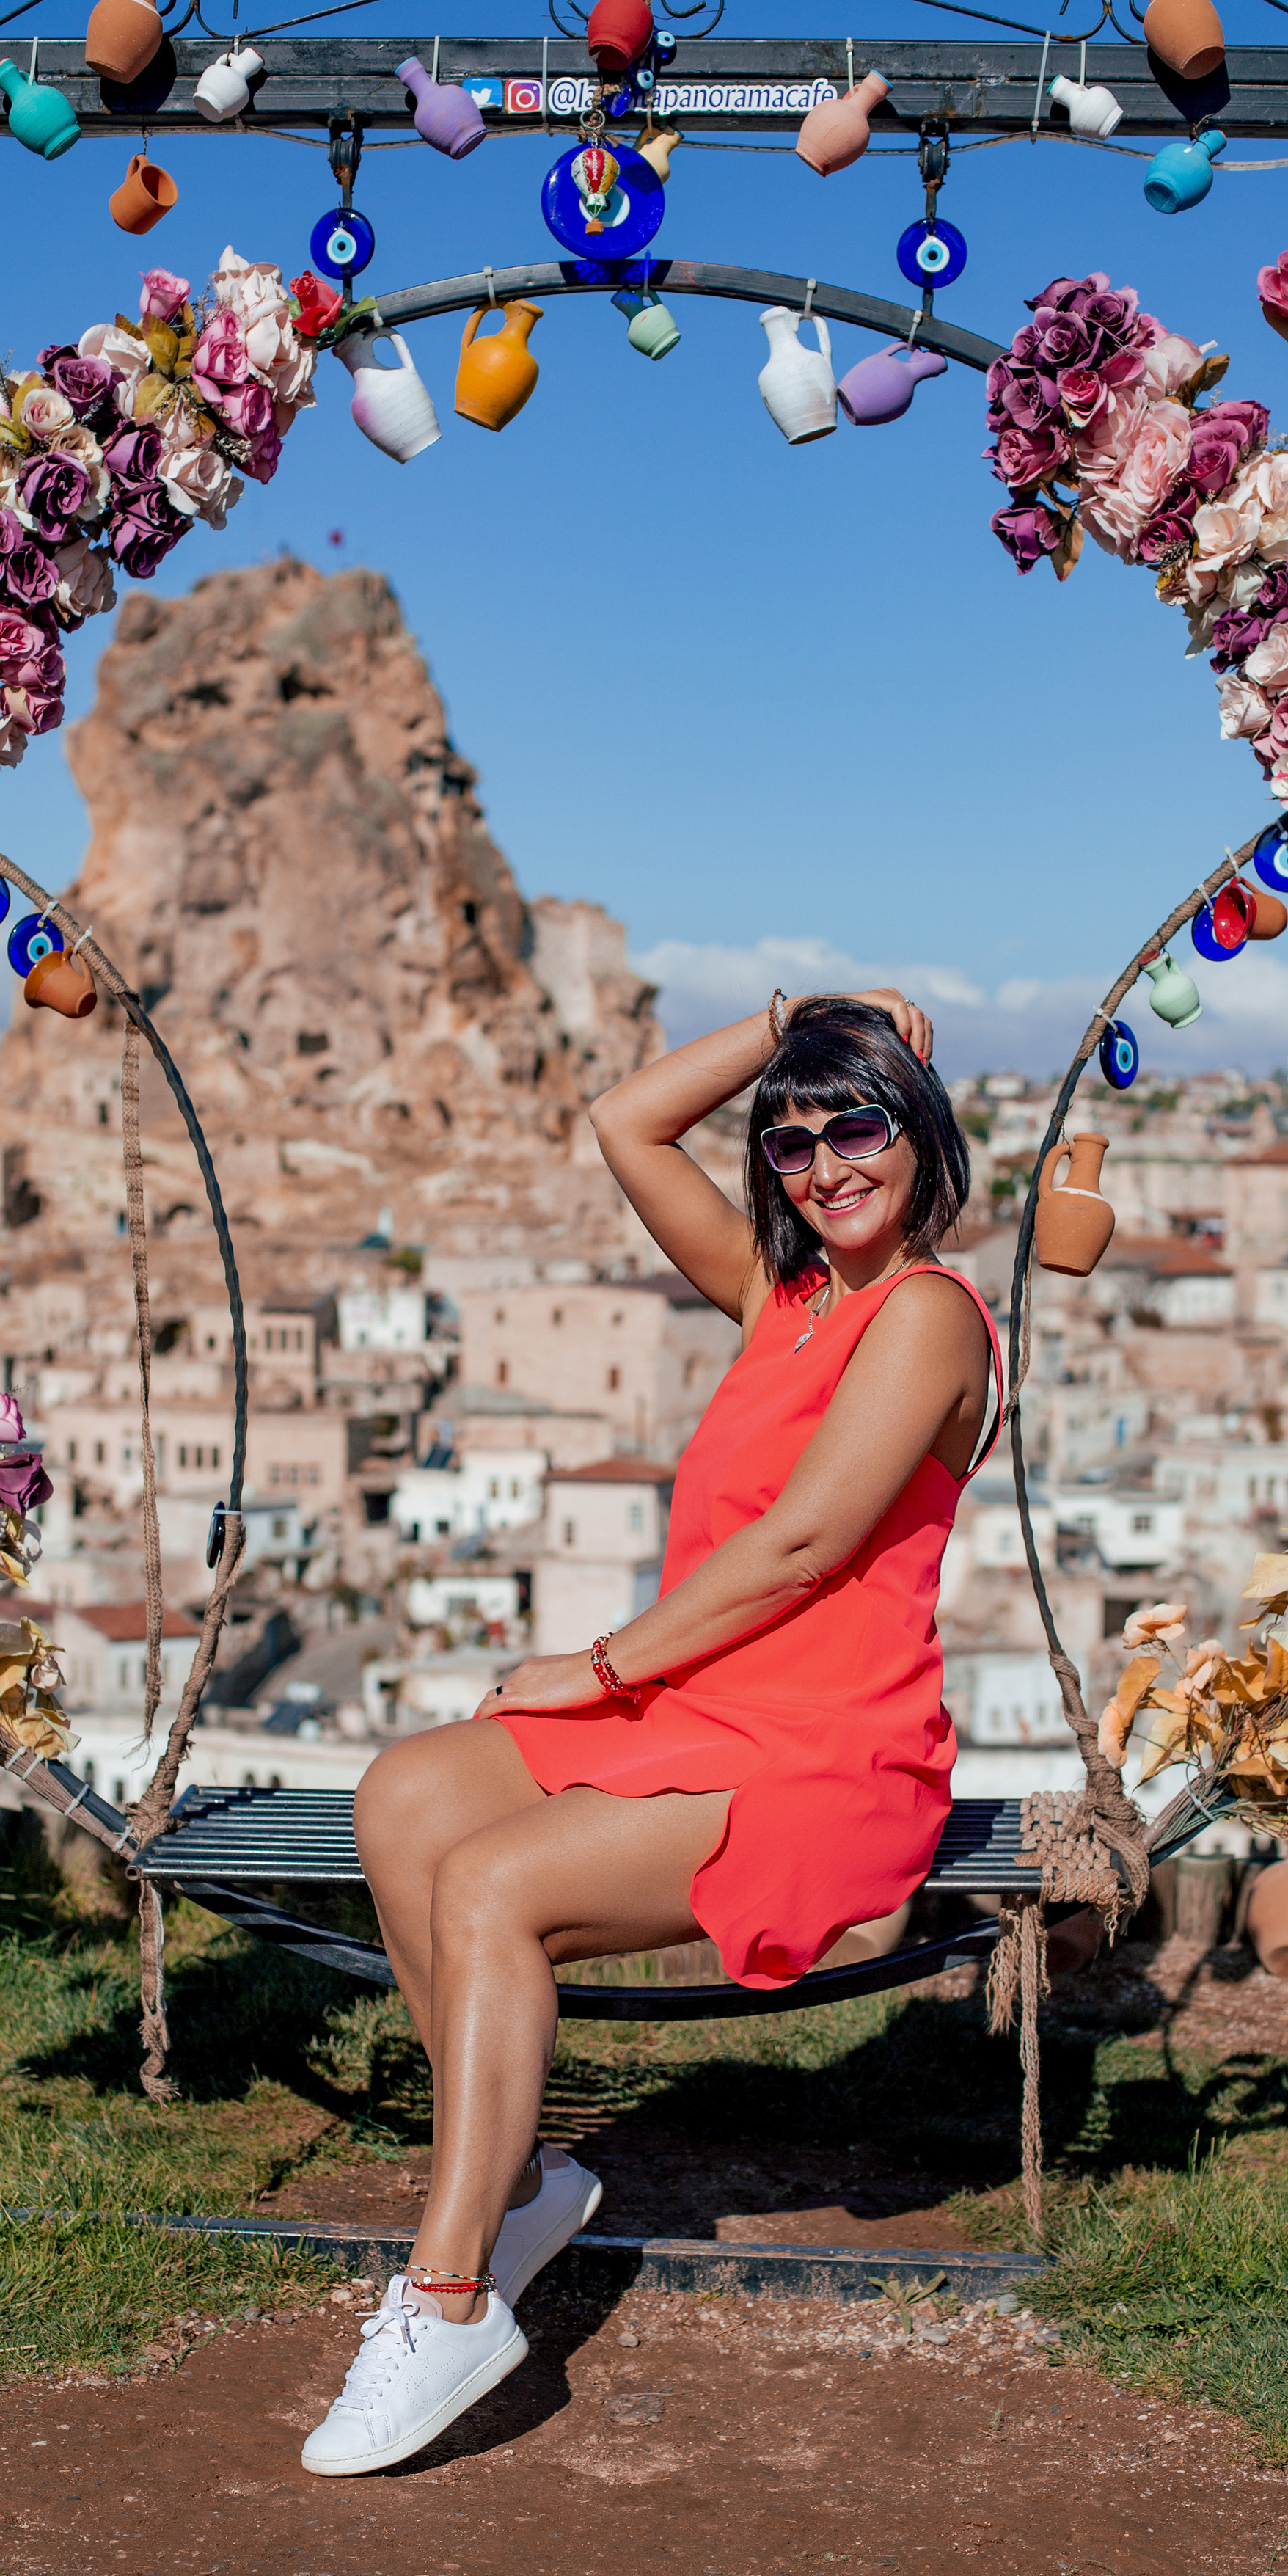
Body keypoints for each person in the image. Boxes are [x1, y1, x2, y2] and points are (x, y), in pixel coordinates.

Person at [301, 989, 1000, 2475]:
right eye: (791, 1140)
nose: (822, 1163)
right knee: (406, 1798)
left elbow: (809, 1542)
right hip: (703, 1698)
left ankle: (446, 2299)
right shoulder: (779, 1296)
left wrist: (597, 1663)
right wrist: (790, 1021)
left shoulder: (928, 1314)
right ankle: (527, 2185)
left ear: (918, 1130)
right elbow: (620, 1119)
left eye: (856, 1123)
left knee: (490, 1888)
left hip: (827, 1747)